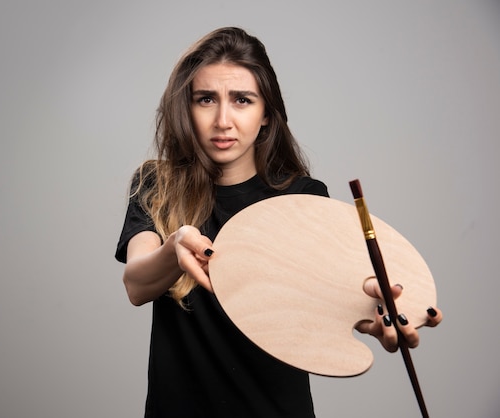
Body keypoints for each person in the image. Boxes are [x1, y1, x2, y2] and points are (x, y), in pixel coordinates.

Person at [115, 27, 442, 418]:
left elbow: (334, 290)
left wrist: (373, 309)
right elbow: (136, 284)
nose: (223, 119)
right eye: (206, 99)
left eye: (242, 100)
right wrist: (175, 248)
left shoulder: (303, 196)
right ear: (187, 109)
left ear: (266, 113)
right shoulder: (156, 184)